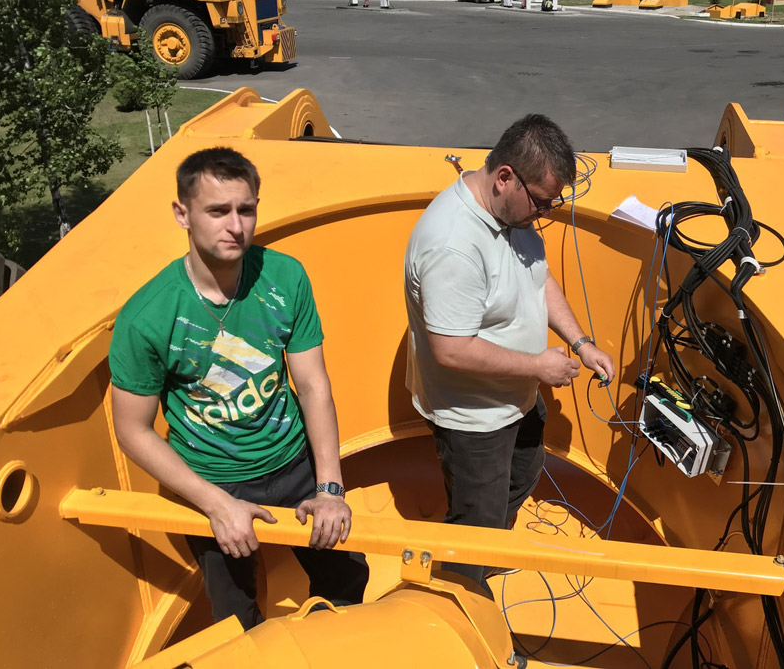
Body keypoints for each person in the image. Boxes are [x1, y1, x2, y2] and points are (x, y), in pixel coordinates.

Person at [108, 147, 368, 629]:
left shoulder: (285, 276)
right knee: (235, 615)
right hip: (213, 478)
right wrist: (216, 504)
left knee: (347, 576)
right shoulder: (147, 317)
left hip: (295, 464)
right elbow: (133, 431)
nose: (235, 226)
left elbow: (312, 385)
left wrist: (330, 486)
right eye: (217, 211)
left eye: (246, 209)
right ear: (182, 214)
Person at [404, 114, 616, 591]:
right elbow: (451, 351)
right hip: (473, 417)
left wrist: (580, 343)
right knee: (475, 522)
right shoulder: (454, 246)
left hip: (514, 397)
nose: (544, 213)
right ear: (505, 177)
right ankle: (460, 590)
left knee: (524, 472)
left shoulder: (510, 213)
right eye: (541, 203)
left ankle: (487, 554)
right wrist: (540, 366)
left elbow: (537, 277)